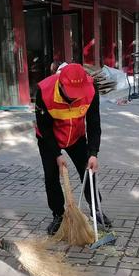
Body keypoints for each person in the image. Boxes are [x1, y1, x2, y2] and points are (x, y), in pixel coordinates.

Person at [35, 63, 112, 235]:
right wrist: (56, 154)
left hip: (76, 136)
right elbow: (44, 128)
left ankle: (95, 209)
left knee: (88, 172)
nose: (75, 98)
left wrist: (93, 154)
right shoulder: (44, 90)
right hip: (49, 139)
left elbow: (93, 124)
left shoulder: (91, 89)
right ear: (61, 84)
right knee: (51, 177)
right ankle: (58, 215)